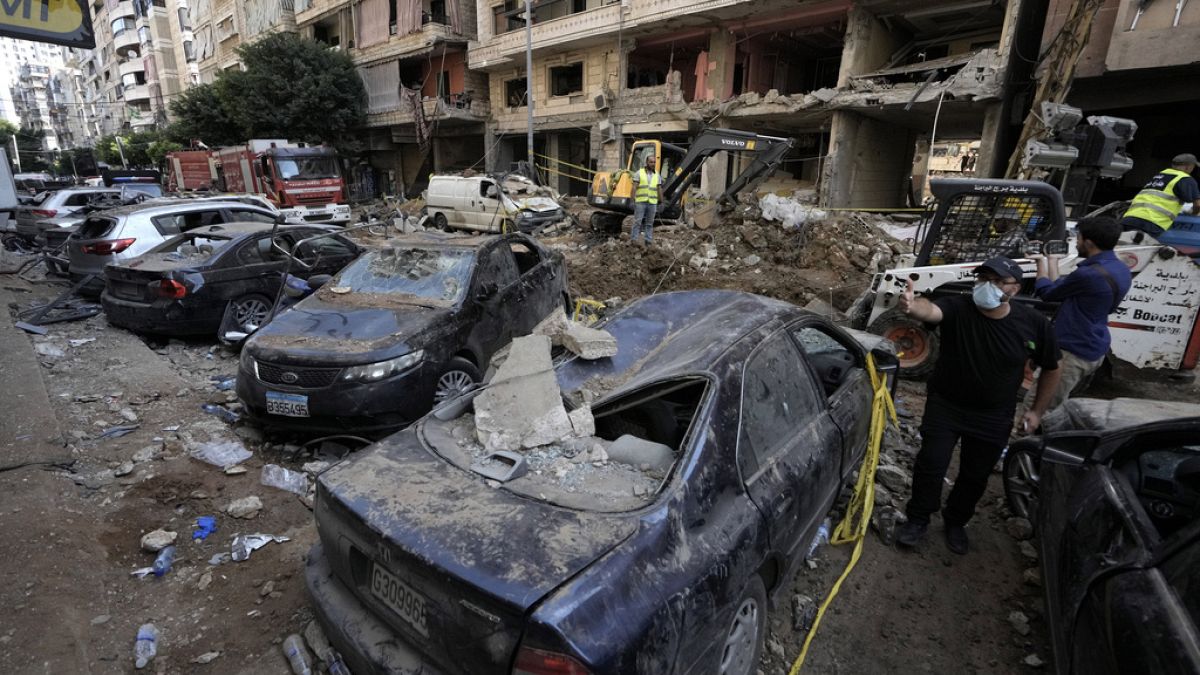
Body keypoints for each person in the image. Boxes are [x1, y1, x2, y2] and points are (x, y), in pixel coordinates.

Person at [894, 257, 1062, 555]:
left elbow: (1052, 367)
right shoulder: (958, 307)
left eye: (996, 281)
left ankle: (956, 521)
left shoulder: (1033, 323)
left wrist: (1037, 410)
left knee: (975, 474)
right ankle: (918, 518)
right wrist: (911, 305)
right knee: (931, 464)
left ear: (1015, 288)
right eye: (982, 279)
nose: (986, 286)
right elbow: (930, 310)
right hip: (946, 406)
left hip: (993, 416)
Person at [1027, 216, 1131, 415]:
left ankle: (1026, 435)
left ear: (1089, 243)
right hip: (1094, 345)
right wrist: (1052, 261)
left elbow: (1048, 294)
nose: (1076, 243)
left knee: (1038, 407)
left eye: (1078, 238)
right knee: (1056, 403)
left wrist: (1039, 263)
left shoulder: (1088, 274)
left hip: (1072, 350)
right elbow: (1061, 290)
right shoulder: (1120, 269)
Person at [1120, 153, 1200, 238]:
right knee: (1142, 245)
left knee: (1123, 244)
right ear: (1188, 167)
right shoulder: (1185, 179)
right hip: (1152, 222)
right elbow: (1198, 205)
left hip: (1130, 219)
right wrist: (1193, 215)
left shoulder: (1159, 176)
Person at [630, 155, 662, 246]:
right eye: (651, 162)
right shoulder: (639, 173)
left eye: (654, 162)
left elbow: (659, 188)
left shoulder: (657, 175)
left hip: (652, 202)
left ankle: (648, 241)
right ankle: (634, 240)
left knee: (650, 223)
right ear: (647, 162)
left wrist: (661, 201)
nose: (653, 164)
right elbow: (634, 187)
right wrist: (632, 200)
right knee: (637, 221)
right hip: (641, 202)